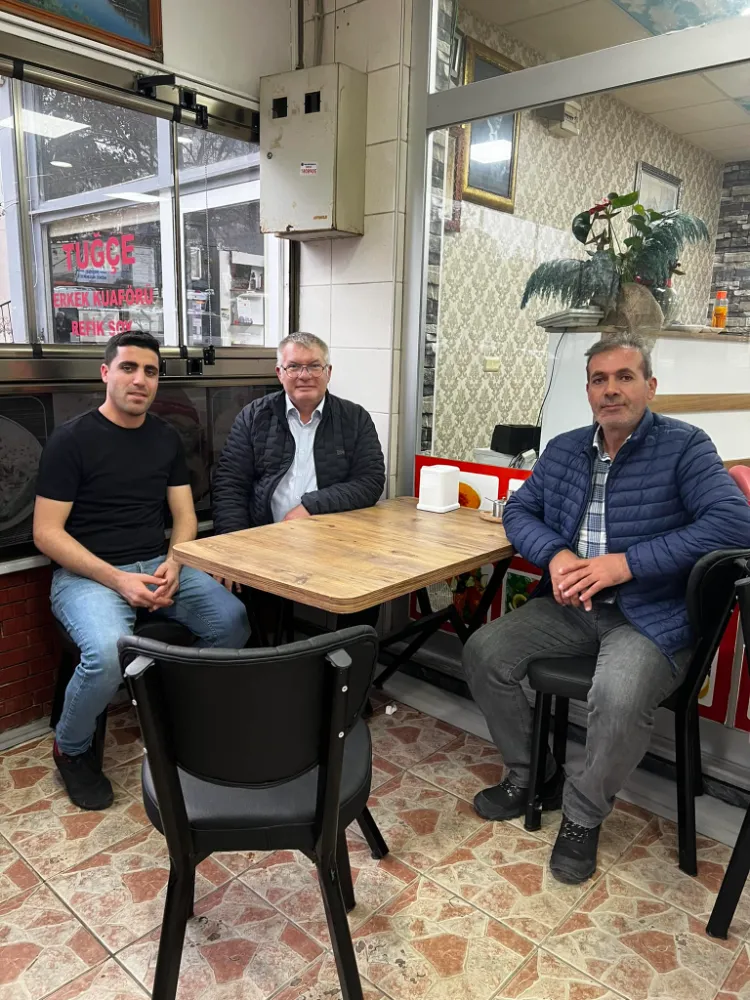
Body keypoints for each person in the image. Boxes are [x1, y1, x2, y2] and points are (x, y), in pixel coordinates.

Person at [463, 334, 750, 885]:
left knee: (616, 697)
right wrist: (556, 554)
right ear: (589, 390)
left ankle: (583, 812)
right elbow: (520, 510)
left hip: (650, 613)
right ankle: (534, 774)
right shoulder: (565, 449)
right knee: (483, 652)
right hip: (572, 607)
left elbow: (735, 524)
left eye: (625, 377)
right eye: (600, 379)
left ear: (650, 386)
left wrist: (626, 564)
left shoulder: (686, 446)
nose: (611, 390)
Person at [34, 331, 250, 811]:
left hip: (157, 563)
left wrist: (176, 561)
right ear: (105, 373)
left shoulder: (165, 437)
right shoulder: (71, 440)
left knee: (232, 620)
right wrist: (118, 580)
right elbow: (46, 533)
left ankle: (175, 712)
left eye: (150, 371)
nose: (140, 380)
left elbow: (185, 517)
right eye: (128, 368)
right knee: (107, 654)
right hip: (87, 576)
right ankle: (71, 749)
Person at [212, 331, 385, 631]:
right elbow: (230, 485)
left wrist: (310, 506)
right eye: (293, 366)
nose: (304, 375)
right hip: (265, 542)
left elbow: (370, 481)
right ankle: (269, 655)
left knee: (367, 593)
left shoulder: (354, 418)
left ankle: (347, 660)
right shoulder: (254, 417)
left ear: (328, 372)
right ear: (280, 373)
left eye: (314, 366)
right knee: (249, 617)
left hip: (336, 543)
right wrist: (231, 548)